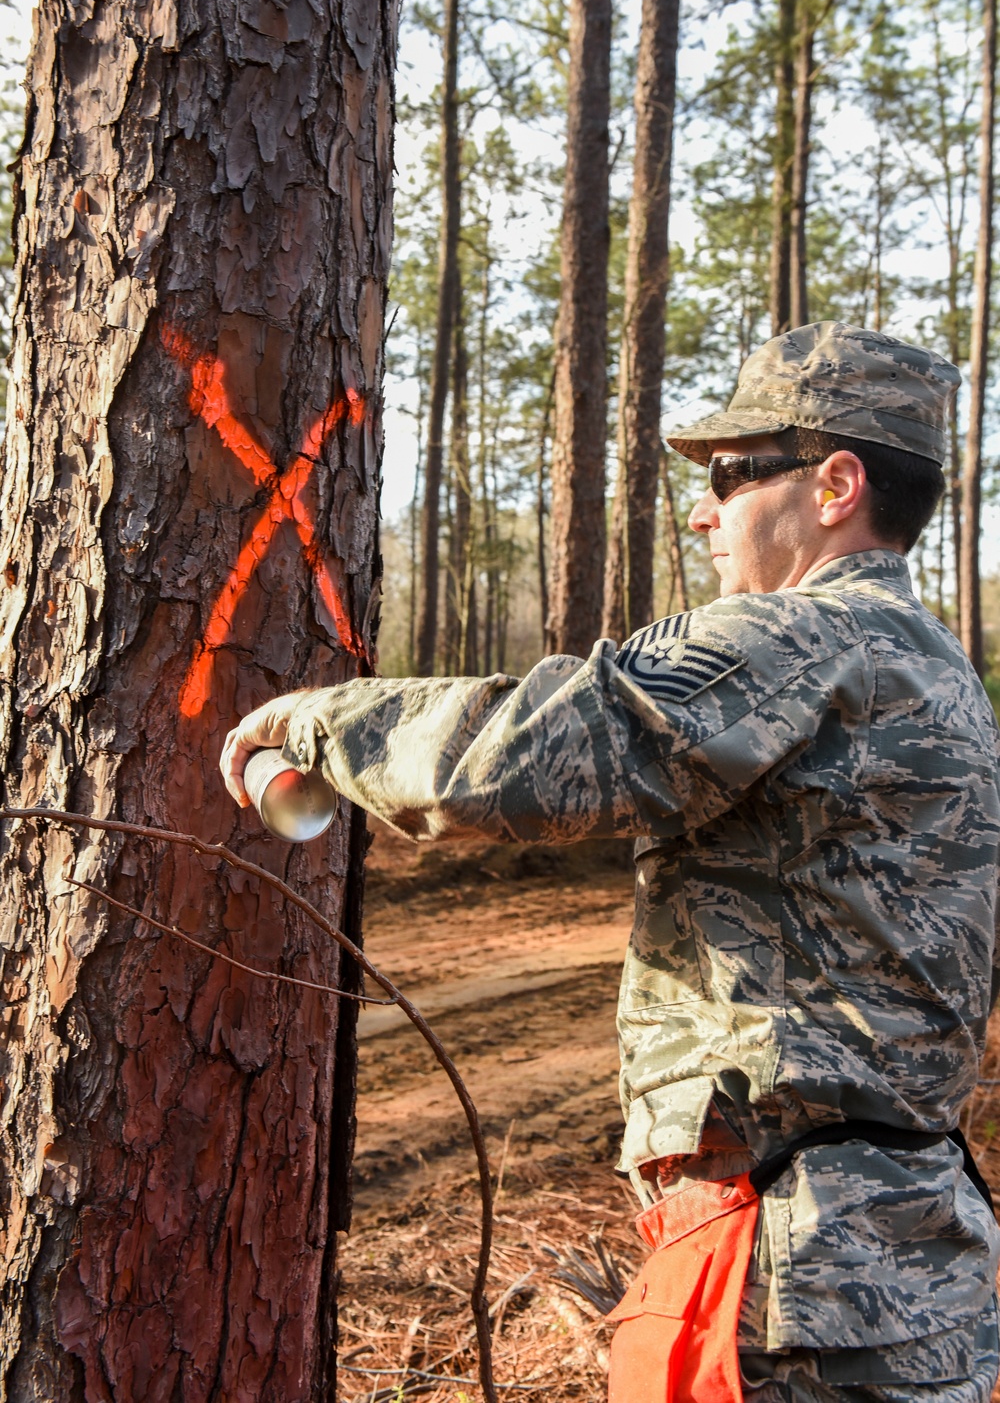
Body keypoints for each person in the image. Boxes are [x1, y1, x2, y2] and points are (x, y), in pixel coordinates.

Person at [220, 321, 1000, 1402]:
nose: (702, 508)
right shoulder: (944, 678)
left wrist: (304, 726)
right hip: (915, 1271)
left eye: (731, 473)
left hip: (794, 1282)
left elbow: (520, 756)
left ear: (834, 484)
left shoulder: (801, 641)